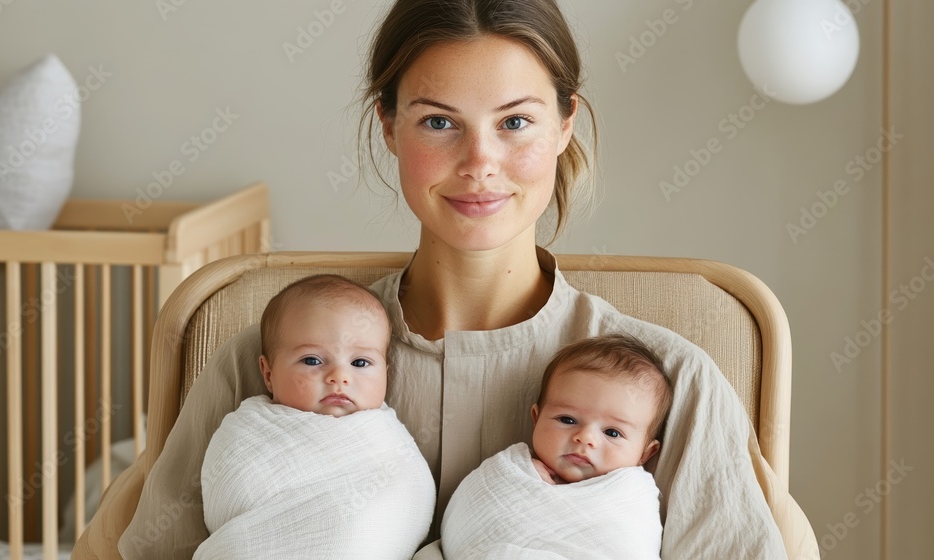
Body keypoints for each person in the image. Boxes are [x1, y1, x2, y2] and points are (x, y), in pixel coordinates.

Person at [102, 1, 813, 558]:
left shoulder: (672, 383)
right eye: (440, 121)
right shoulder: (276, 359)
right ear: (388, 126)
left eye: (515, 123)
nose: (480, 161)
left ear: (566, 124)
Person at [193, 274, 435, 559]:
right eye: (312, 360)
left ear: (386, 372)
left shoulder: (385, 441)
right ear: (268, 374)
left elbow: (407, 493)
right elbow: (227, 493)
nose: (339, 377)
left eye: (360, 362)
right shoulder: (249, 430)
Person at [441, 335, 672, 559]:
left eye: (612, 433)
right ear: (536, 418)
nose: (585, 438)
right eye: (567, 420)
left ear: (645, 453)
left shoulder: (631, 500)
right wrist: (527, 480)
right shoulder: (509, 472)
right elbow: (467, 520)